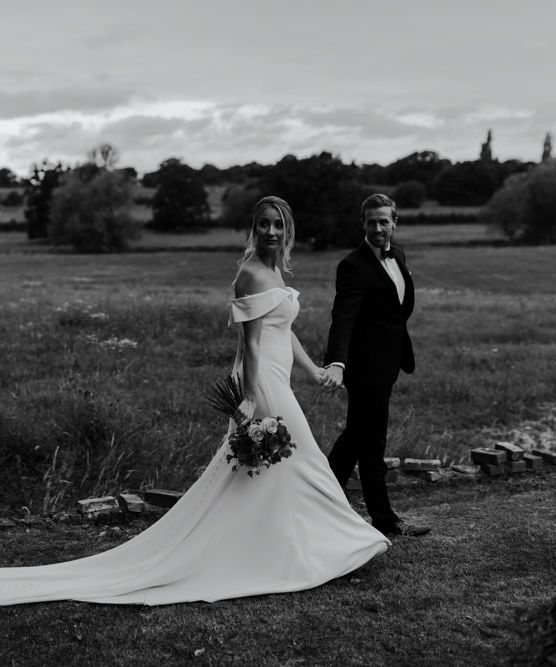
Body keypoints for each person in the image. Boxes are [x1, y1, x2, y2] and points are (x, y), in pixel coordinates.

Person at [0, 196, 388, 606]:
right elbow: (251, 344)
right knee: (302, 458)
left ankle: (288, 545)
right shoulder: (251, 274)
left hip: (279, 377)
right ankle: (336, 542)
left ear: (287, 229)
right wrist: (251, 397)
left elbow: (284, 329)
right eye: (263, 224)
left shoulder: (275, 270)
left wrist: (313, 370)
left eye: (278, 224)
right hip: (262, 382)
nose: (271, 231)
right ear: (253, 229)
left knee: (271, 468)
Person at [323, 194, 431, 537]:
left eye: (384, 221)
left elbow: (399, 310)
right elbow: (343, 317)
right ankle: (384, 520)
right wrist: (337, 362)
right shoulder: (352, 265)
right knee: (371, 444)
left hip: (388, 365)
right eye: (371, 221)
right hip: (363, 369)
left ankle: (318, 501)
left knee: (355, 438)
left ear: (394, 222)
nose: (378, 228)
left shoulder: (398, 256)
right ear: (363, 225)